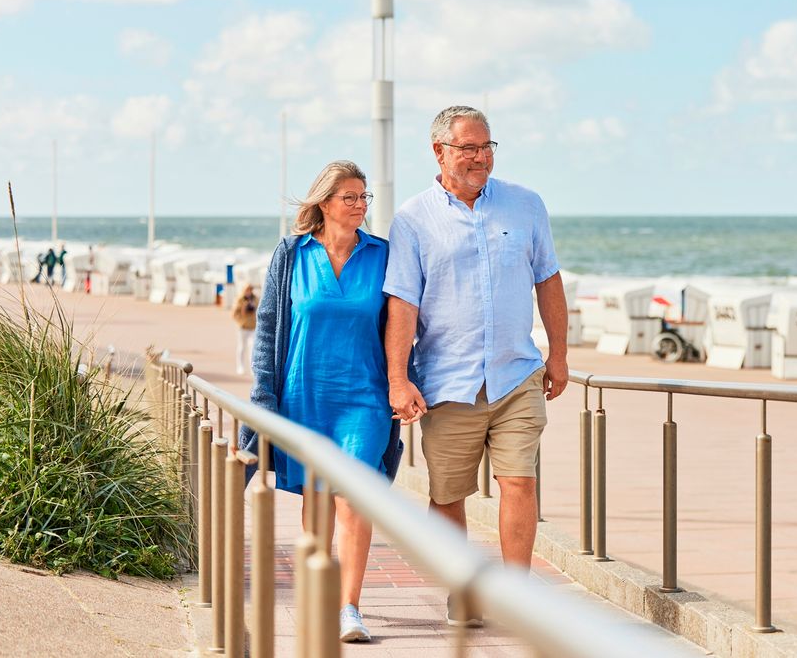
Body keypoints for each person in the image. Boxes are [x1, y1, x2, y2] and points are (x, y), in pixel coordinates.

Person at [384, 105, 569, 627]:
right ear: (439, 151)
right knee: (448, 495)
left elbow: (548, 280)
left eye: (486, 147)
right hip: (447, 382)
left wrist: (559, 353)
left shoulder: (526, 205)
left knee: (520, 483)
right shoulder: (413, 219)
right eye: (468, 148)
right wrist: (399, 378)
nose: (480, 157)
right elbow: (402, 302)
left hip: (516, 375)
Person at [244, 160, 401, 643]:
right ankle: (318, 594)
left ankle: (349, 607)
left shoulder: (383, 255)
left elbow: (402, 325)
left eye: (364, 197)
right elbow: (269, 326)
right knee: (316, 501)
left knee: (354, 497)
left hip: (364, 396)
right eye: (350, 197)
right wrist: (263, 395)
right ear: (324, 203)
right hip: (304, 392)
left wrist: (404, 382)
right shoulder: (292, 255)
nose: (360, 206)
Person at [231, 283, 258, 375]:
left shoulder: (255, 299)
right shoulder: (239, 299)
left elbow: (259, 310)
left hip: (253, 327)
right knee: (242, 347)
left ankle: (252, 368)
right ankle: (240, 366)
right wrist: (241, 320)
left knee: (252, 347)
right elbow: (234, 314)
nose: (249, 292)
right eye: (247, 290)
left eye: (250, 290)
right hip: (243, 327)